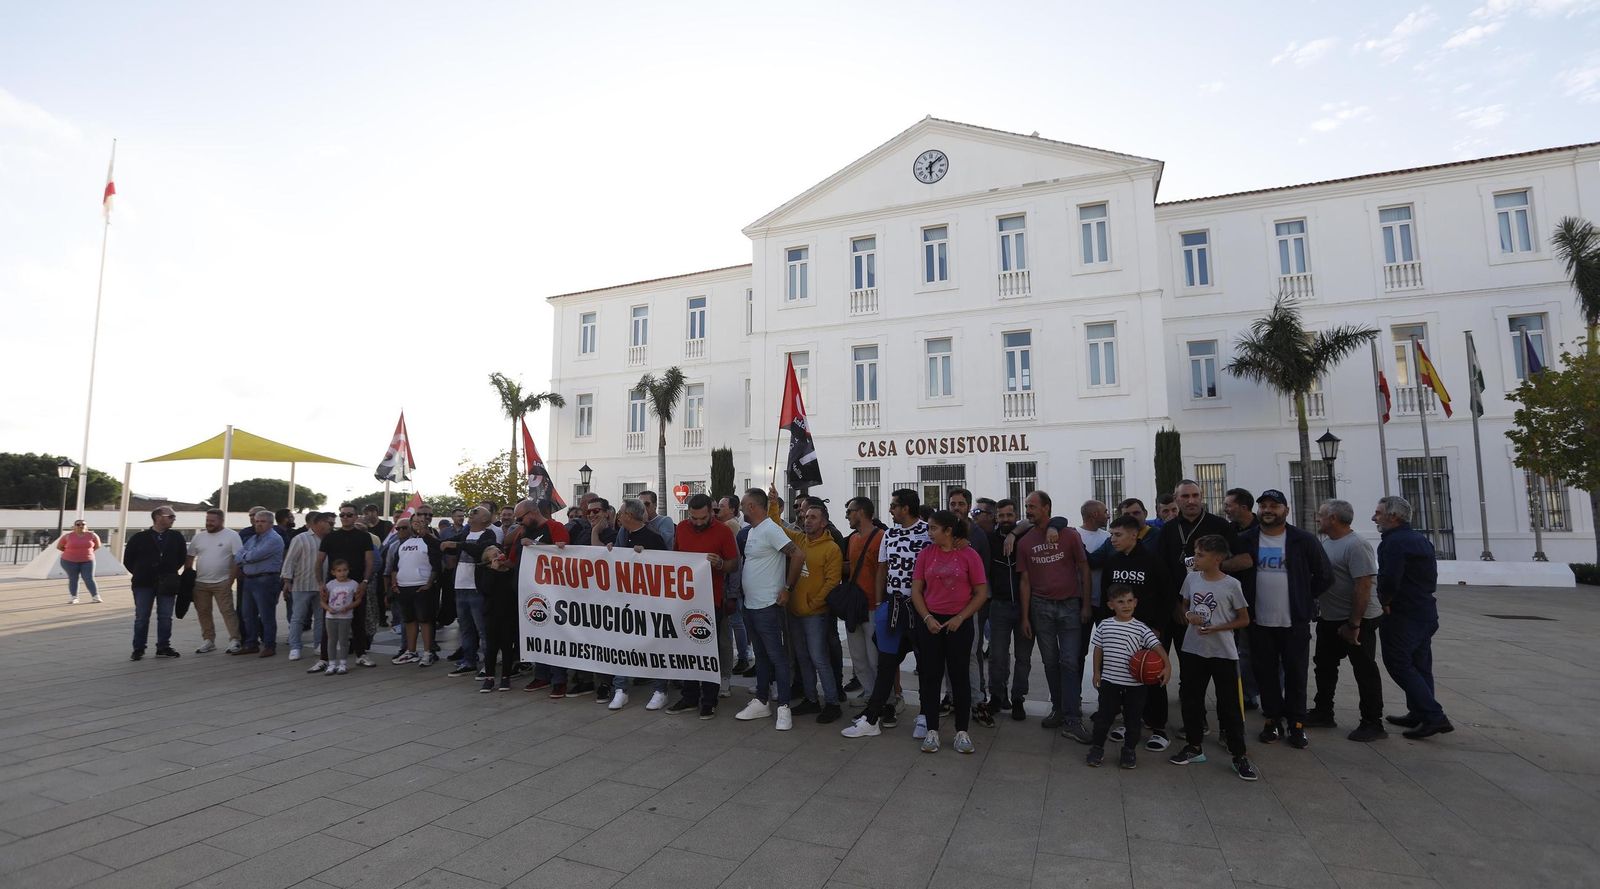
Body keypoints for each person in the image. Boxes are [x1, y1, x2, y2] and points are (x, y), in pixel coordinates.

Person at [1238, 489, 1331, 749]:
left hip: (1294, 623)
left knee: (1296, 673)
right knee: (1265, 675)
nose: (1268, 510)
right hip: (1259, 622)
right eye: (1263, 506)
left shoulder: (1303, 540)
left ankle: (1297, 723)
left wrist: (1303, 597)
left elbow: (1325, 575)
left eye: (1274, 506)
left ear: (1285, 510)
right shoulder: (1246, 539)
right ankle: (1272, 720)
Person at [840, 488, 931, 739]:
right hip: (892, 606)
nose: (889, 510)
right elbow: (883, 569)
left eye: (894, 506)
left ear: (906, 508)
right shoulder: (889, 534)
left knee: (926, 664)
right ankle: (873, 717)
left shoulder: (927, 532)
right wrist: (881, 605)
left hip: (920, 607)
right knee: (885, 663)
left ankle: (926, 715)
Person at [1169, 535, 1257, 781]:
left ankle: (1239, 754)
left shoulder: (1231, 585)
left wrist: (1217, 628)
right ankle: (1194, 746)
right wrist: (1189, 616)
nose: (1194, 559)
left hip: (1223, 652)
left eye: (1200, 555)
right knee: (1191, 699)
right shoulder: (1191, 578)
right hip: (1193, 649)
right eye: (1195, 553)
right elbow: (1185, 606)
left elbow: (1244, 619)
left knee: (1229, 704)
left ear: (1217, 558)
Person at [1373, 496, 1454, 740]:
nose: (1374, 517)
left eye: (1378, 513)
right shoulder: (1420, 540)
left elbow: (1389, 578)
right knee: (1420, 664)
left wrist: (1384, 601)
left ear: (1393, 517)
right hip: (1424, 609)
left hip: (1403, 612)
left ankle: (1433, 715)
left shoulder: (1393, 543)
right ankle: (1419, 711)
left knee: (1398, 663)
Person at [910, 509, 989, 754]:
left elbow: (981, 593)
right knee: (930, 677)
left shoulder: (969, 555)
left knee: (959, 677)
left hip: (959, 623)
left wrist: (961, 617)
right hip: (931, 624)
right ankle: (932, 730)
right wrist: (927, 617)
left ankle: (961, 732)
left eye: (934, 528)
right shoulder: (926, 554)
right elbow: (916, 591)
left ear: (948, 530)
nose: (929, 532)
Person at [1017, 490, 1093, 743]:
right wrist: (1026, 617)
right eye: (1026, 506)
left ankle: (1073, 718)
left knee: (1070, 662)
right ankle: (1058, 709)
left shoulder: (1069, 534)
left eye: (1033, 506)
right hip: (1041, 608)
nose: (1028, 510)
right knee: (1050, 662)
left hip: (1070, 605)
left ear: (1047, 507)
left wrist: (1085, 604)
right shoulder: (1025, 541)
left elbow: (1083, 568)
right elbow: (1025, 581)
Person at [1309, 499, 1387, 742]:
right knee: (1324, 666)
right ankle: (1323, 711)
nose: (1317, 519)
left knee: (1364, 671)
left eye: (1320, 515)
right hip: (1330, 618)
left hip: (1356, 620)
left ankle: (1373, 722)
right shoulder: (1328, 542)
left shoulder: (1356, 545)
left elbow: (1363, 585)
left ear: (1333, 518)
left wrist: (1354, 624)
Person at [664, 493, 740, 718]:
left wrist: (720, 564)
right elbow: (673, 559)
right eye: (693, 518)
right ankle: (688, 696)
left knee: (709, 651)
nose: (697, 523)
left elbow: (734, 564)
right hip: (685, 599)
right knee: (687, 649)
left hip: (711, 600)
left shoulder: (724, 531)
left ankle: (709, 699)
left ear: (711, 512)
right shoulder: (682, 529)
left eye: (702, 518)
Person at [1101, 514, 1174, 749]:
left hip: (1147, 630)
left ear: (1134, 534)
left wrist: (1159, 626)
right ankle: (1129, 719)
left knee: (1151, 675)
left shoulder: (1153, 560)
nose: (1113, 539)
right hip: (1121, 631)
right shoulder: (1112, 561)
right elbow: (1106, 596)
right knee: (1125, 675)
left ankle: (1158, 727)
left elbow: (1167, 595)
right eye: (1111, 534)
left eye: (1118, 534)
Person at [734, 487, 803, 731]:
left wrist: (788, 587)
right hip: (751, 606)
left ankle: (784, 707)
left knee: (777, 657)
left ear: (753, 506)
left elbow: (797, 555)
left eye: (743, 505)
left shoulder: (771, 529)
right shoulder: (753, 531)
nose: (741, 509)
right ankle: (762, 700)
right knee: (762, 656)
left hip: (767, 606)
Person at [770, 496, 844, 723]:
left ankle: (832, 702)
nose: (807, 520)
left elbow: (832, 582)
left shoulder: (831, 549)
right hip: (794, 612)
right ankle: (811, 699)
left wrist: (814, 603)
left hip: (815, 614)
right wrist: (773, 503)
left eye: (813, 517)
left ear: (824, 523)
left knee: (819, 658)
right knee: (802, 658)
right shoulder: (799, 539)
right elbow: (776, 525)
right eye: (805, 517)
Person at [1087, 585, 1169, 769]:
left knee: (1133, 720)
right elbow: (1098, 650)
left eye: (1130, 601)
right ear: (1110, 605)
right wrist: (1096, 672)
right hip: (1110, 682)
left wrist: (1168, 666)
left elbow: (1158, 647)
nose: (1126, 605)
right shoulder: (1105, 625)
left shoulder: (1141, 629)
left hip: (1135, 684)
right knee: (1103, 718)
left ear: (1136, 602)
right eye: (1121, 602)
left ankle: (1129, 751)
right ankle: (1097, 748)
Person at [602, 499, 669, 709]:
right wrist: (613, 551)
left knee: (655, 646)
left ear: (629, 516)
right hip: (625, 602)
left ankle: (660, 690)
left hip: (650, 604)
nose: (619, 516)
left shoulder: (654, 539)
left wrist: (647, 557)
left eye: (621, 513)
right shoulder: (623, 535)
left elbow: (665, 568)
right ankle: (621, 688)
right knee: (622, 644)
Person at [985, 499, 1033, 722]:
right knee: (997, 656)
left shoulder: (1028, 536)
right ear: (996, 517)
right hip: (1000, 605)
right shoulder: (990, 539)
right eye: (1001, 516)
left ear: (1016, 515)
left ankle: (1018, 699)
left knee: (1023, 657)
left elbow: (1057, 522)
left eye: (1009, 515)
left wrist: (1014, 534)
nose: (1005, 519)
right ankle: (997, 695)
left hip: (1026, 607)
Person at [122, 506, 187, 661]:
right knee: (142, 616)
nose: (173, 519)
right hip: (143, 582)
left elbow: (181, 557)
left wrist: (169, 571)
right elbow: (128, 559)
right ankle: (138, 648)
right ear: (158, 517)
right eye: (170, 516)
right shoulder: (139, 537)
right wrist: (140, 572)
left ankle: (163, 646)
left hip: (167, 582)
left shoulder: (176, 536)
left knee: (165, 616)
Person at [317, 504, 377, 669]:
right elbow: (319, 561)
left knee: (358, 621)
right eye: (342, 515)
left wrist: (365, 582)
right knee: (328, 622)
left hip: (356, 584)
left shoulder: (364, 537)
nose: (345, 518)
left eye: (349, 515)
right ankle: (324, 659)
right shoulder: (330, 537)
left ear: (356, 516)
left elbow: (369, 561)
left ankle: (361, 654)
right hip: (333, 585)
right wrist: (321, 584)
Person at [442, 506, 494, 679]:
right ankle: (469, 661)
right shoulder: (465, 534)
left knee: (483, 629)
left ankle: (488, 664)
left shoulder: (488, 535)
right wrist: (426, 534)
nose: (470, 515)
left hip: (476, 588)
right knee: (465, 628)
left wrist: (458, 544)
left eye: (475, 512)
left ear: (485, 519)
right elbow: (447, 546)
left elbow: (480, 551)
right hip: (461, 587)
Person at [842, 496, 884, 702]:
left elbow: (883, 573)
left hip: (873, 606)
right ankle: (869, 693)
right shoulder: (852, 539)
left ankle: (882, 698)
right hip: (854, 606)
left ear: (860, 512)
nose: (847, 515)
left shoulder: (881, 537)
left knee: (874, 657)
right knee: (858, 656)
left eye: (850, 511)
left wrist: (879, 603)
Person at [389, 512, 443, 666]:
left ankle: (427, 652)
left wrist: (429, 584)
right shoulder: (404, 543)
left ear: (427, 523)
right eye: (415, 521)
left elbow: (436, 565)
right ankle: (411, 651)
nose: (418, 523)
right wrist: (394, 584)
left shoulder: (431, 541)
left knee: (425, 621)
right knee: (409, 620)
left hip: (422, 587)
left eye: (421, 521)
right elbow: (395, 566)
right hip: (404, 588)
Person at [280, 511, 330, 663]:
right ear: (316, 523)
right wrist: (287, 581)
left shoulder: (329, 539)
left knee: (321, 618)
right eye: (327, 523)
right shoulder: (300, 538)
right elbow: (290, 560)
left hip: (322, 586)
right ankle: (295, 647)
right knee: (298, 617)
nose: (330, 525)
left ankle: (319, 645)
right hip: (302, 584)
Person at [236, 510, 286, 657]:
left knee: (266, 615)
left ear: (271, 523)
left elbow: (254, 555)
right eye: (257, 521)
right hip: (249, 579)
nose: (258, 524)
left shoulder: (274, 539)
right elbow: (238, 556)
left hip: (266, 580)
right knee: (247, 614)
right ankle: (251, 643)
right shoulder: (252, 539)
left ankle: (270, 645)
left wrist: (246, 556)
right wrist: (246, 556)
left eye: (262, 521)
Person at [477, 544, 519, 691]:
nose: (499, 556)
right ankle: (489, 677)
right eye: (494, 555)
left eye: (499, 553)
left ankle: (506, 677)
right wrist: (493, 570)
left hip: (508, 614)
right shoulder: (486, 572)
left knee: (507, 647)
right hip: (492, 614)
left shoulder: (511, 571)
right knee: (491, 648)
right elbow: (486, 590)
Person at [320, 559, 361, 675]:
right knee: (331, 640)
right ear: (333, 572)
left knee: (343, 640)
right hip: (331, 617)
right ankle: (332, 663)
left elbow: (358, 600)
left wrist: (348, 607)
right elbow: (322, 601)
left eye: (345, 570)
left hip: (345, 616)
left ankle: (343, 663)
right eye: (339, 571)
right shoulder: (330, 584)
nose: (342, 573)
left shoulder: (353, 584)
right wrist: (328, 608)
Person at [57, 519, 101, 604]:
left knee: (89, 578)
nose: (81, 526)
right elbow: (59, 547)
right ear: (74, 527)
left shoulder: (92, 535)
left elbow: (97, 546)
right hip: (69, 561)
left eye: (83, 524)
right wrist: (70, 553)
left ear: (86, 526)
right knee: (73, 578)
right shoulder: (67, 536)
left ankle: (95, 596)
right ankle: (74, 597)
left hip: (88, 561)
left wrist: (87, 553)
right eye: (78, 524)